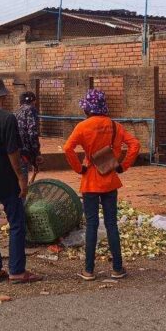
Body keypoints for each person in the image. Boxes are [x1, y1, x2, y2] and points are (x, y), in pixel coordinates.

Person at [63, 88, 141, 281]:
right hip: (110, 180)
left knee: (92, 224)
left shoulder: (82, 127)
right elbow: (135, 145)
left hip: (90, 181)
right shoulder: (115, 126)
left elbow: (67, 148)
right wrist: (123, 165)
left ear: (87, 109)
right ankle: (117, 268)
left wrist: (79, 168)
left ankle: (89, 270)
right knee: (111, 224)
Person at [0, 76, 42, 284]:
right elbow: (13, 152)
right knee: (17, 223)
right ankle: (17, 270)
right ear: (2, 95)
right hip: (7, 179)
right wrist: (21, 178)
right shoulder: (7, 118)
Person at [15, 91, 42, 185]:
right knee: (23, 184)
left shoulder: (17, 111)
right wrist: (36, 154)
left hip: (15, 152)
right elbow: (32, 133)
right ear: (33, 101)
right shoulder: (31, 110)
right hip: (25, 153)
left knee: (17, 183)